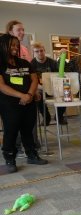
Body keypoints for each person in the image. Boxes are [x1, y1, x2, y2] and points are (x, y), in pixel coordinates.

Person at [0, 34, 48, 173]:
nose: (15, 47)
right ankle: (10, 158)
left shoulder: (25, 63)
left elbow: (34, 80)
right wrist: (22, 95)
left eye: (16, 45)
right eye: (12, 45)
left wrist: (29, 95)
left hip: (28, 102)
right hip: (9, 104)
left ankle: (32, 155)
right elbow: (1, 86)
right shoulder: (1, 64)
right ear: (3, 46)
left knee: (28, 130)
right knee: (11, 131)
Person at [30, 41, 67, 125]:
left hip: (53, 87)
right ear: (34, 53)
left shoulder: (52, 62)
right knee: (37, 96)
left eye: (41, 51)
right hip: (39, 88)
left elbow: (59, 76)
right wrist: (40, 88)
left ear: (44, 51)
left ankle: (59, 116)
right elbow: (31, 80)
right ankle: (46, 117)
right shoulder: (32, 64)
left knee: (65, 95)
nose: (40, 53)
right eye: (37, 51)